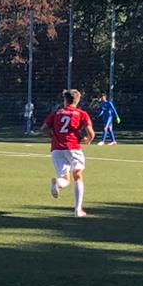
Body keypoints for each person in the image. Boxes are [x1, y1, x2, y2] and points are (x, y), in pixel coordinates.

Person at [46, 88, 95, 218]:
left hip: (57, 149)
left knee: (64, 179)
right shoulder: (81, 114)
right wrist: (88, 140)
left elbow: (44, 128)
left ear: (65, 100)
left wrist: (53, 137)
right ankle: (78, 210)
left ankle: (58, 183)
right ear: (77, 101)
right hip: (73, 147)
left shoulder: (56, 113)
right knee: (78, 176)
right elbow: (91, 133)